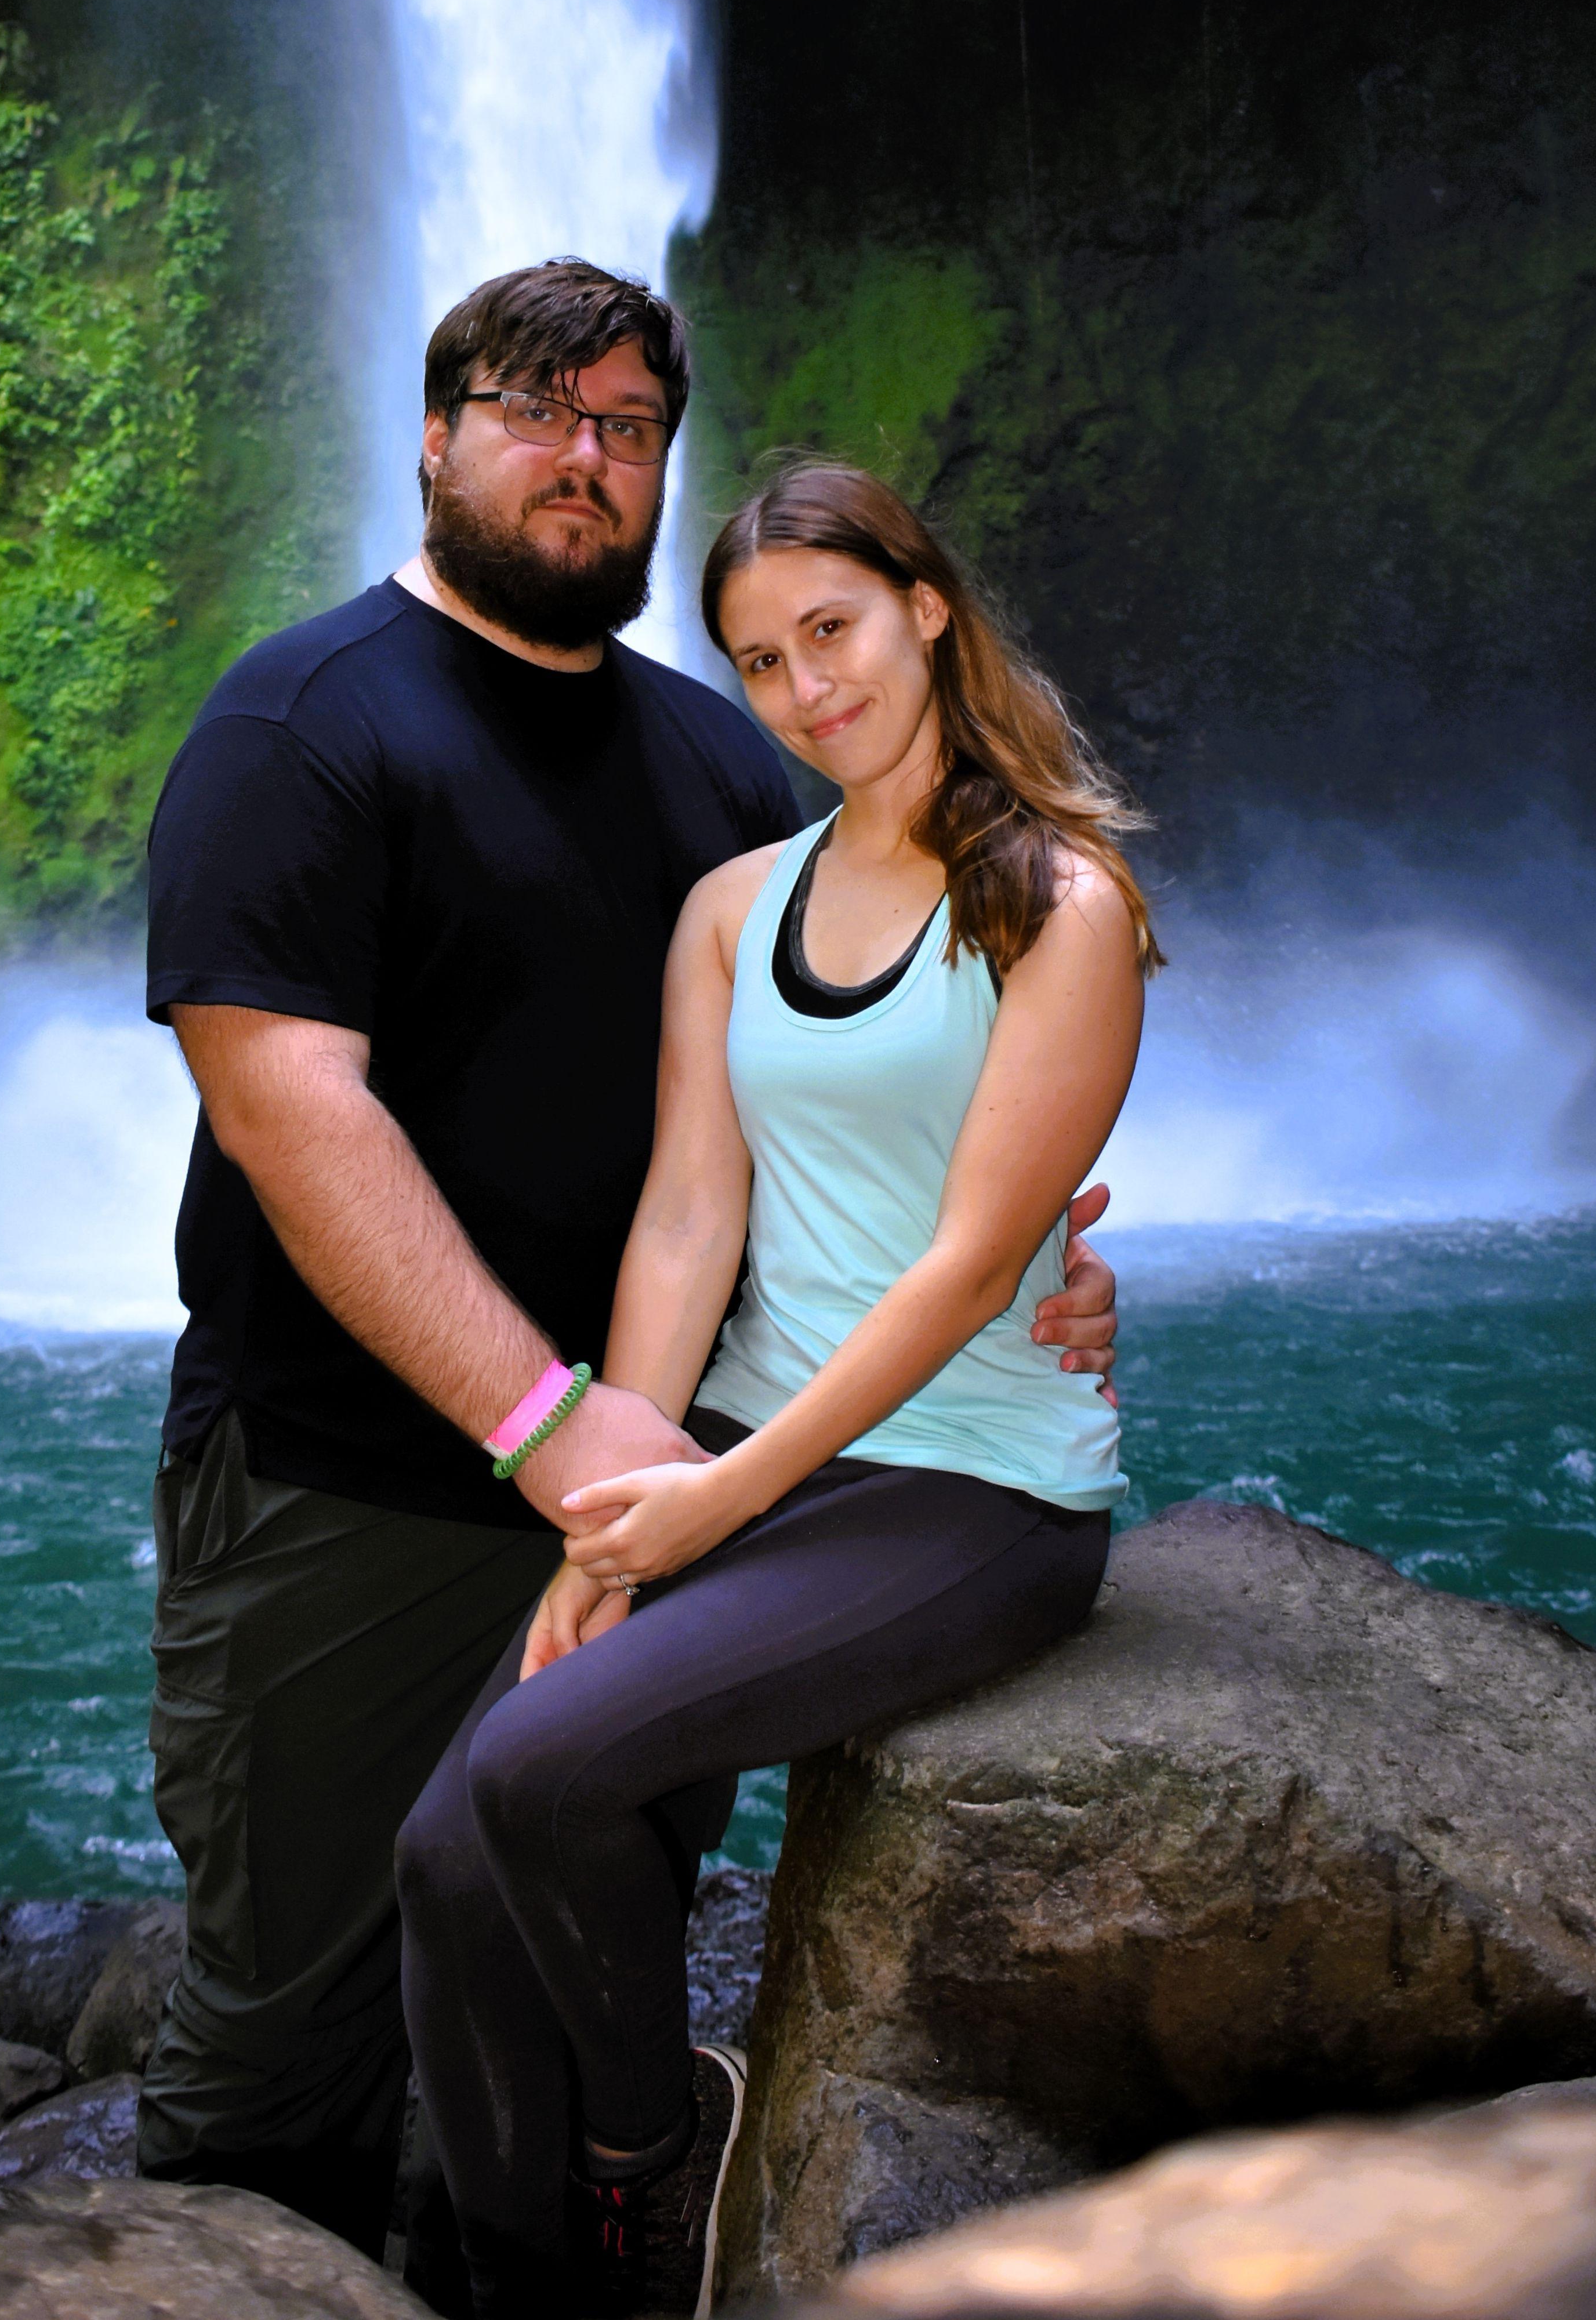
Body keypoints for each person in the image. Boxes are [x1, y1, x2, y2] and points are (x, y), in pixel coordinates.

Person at [130, 265, 1123, 2256]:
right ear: (434, 438)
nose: (584, 458)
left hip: (677, 1460)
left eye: (629, 427)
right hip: (364, 1490)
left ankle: (572, 2236)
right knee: (285, 2029)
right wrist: (549, 1429)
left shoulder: (725, 769)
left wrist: (1047, 1265)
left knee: (561, 1899)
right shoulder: (304, 724)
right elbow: (290, 1110)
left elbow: (885, 1094)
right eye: (532, 411)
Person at [394, 458, 1166, 2320]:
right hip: (737, 1434)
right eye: (759, 662)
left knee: (546, 1763)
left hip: (971, 1480)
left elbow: (977, 1264)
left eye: (833, 630)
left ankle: (648, 2168)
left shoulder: (1059, 903)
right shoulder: (735, 908)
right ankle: (527, 2286)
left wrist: (717, 1508)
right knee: (444, 1852)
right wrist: (609, 1508)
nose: (808, 689)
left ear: (926, 607)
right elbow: (684, 1219)